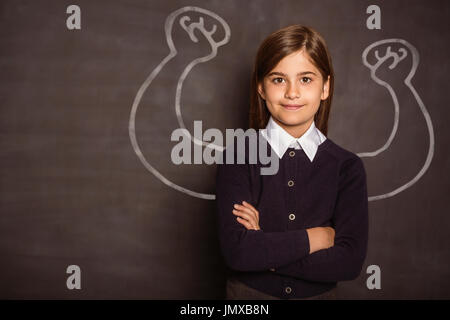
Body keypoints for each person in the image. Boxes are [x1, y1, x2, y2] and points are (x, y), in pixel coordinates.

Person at [215, 24, 369, 300]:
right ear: (261, 88)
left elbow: (348, 262)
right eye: (278, 79)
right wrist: (315, 238)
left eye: (306, 79)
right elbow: (239, 253)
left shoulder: (347, 167)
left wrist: (265, 246)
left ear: (326, 87)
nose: (292, 93)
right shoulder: (239, 155)